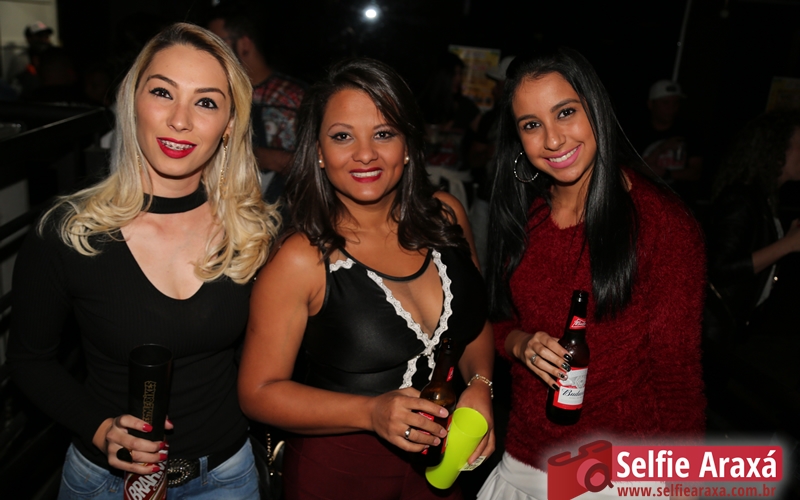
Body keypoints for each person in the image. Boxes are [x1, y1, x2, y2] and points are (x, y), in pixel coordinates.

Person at [8, 23, 280, 499]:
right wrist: (99, 428)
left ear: (230, 124)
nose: (180, 120)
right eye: (162, 92)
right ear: (132, 103)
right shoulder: (69, 232)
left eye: (206, 102)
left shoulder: (254, 233)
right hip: (107, 483)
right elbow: (30, 361)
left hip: (226, 478)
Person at [238, 57, 495, 499]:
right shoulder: (301, 258)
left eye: (383, 133)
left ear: (408, 144)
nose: (365, 154)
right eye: (342, 136)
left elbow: (473, 324)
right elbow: (258, 393)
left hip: (443, 469)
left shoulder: (446, 215)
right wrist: (370, 412)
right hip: (340, 474)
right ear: (319, 151)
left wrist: (481, 385)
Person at [477, 49, 706, 499]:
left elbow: (677, 374)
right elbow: (499, 322)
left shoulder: (663, 225)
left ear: (595, 108)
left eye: (566, 112)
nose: (553, 139)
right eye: (531, 124)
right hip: (521, 461)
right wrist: (520, 343)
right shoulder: (523, 217)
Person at [705, 109, 800, 337]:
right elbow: (717, 269)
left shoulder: (764, 197)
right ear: (775, 149)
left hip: (729, 327)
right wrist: (787, 245)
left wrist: (788, 239)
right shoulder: (741, 198)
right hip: (710, 328)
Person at [207, 5, 305, 204]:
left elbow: (319, 160)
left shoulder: (295, 96)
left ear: (244, 43)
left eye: (219, 43)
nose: (211, 53)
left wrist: (264, 156)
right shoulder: (217, 94)